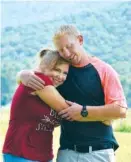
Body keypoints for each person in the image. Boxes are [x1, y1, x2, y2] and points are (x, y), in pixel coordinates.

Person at [18, 25, 127, 162]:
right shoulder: (60, 71)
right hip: (67, 152)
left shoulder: (104, 70)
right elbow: (40, 78)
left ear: (80, 40)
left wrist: (83, 112)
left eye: (69, 46)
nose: (67, 54)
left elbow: (121, 110)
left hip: (99, 152)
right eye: (61, 50)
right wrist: (23, 74)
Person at [2, 49, 70, 162]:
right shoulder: (39, 80)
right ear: (44, 67)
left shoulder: (54, 91)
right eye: (57, 70)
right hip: (21, 154)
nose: (61, 76)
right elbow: (67, 111)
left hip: (43, 155)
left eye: (65, 73)